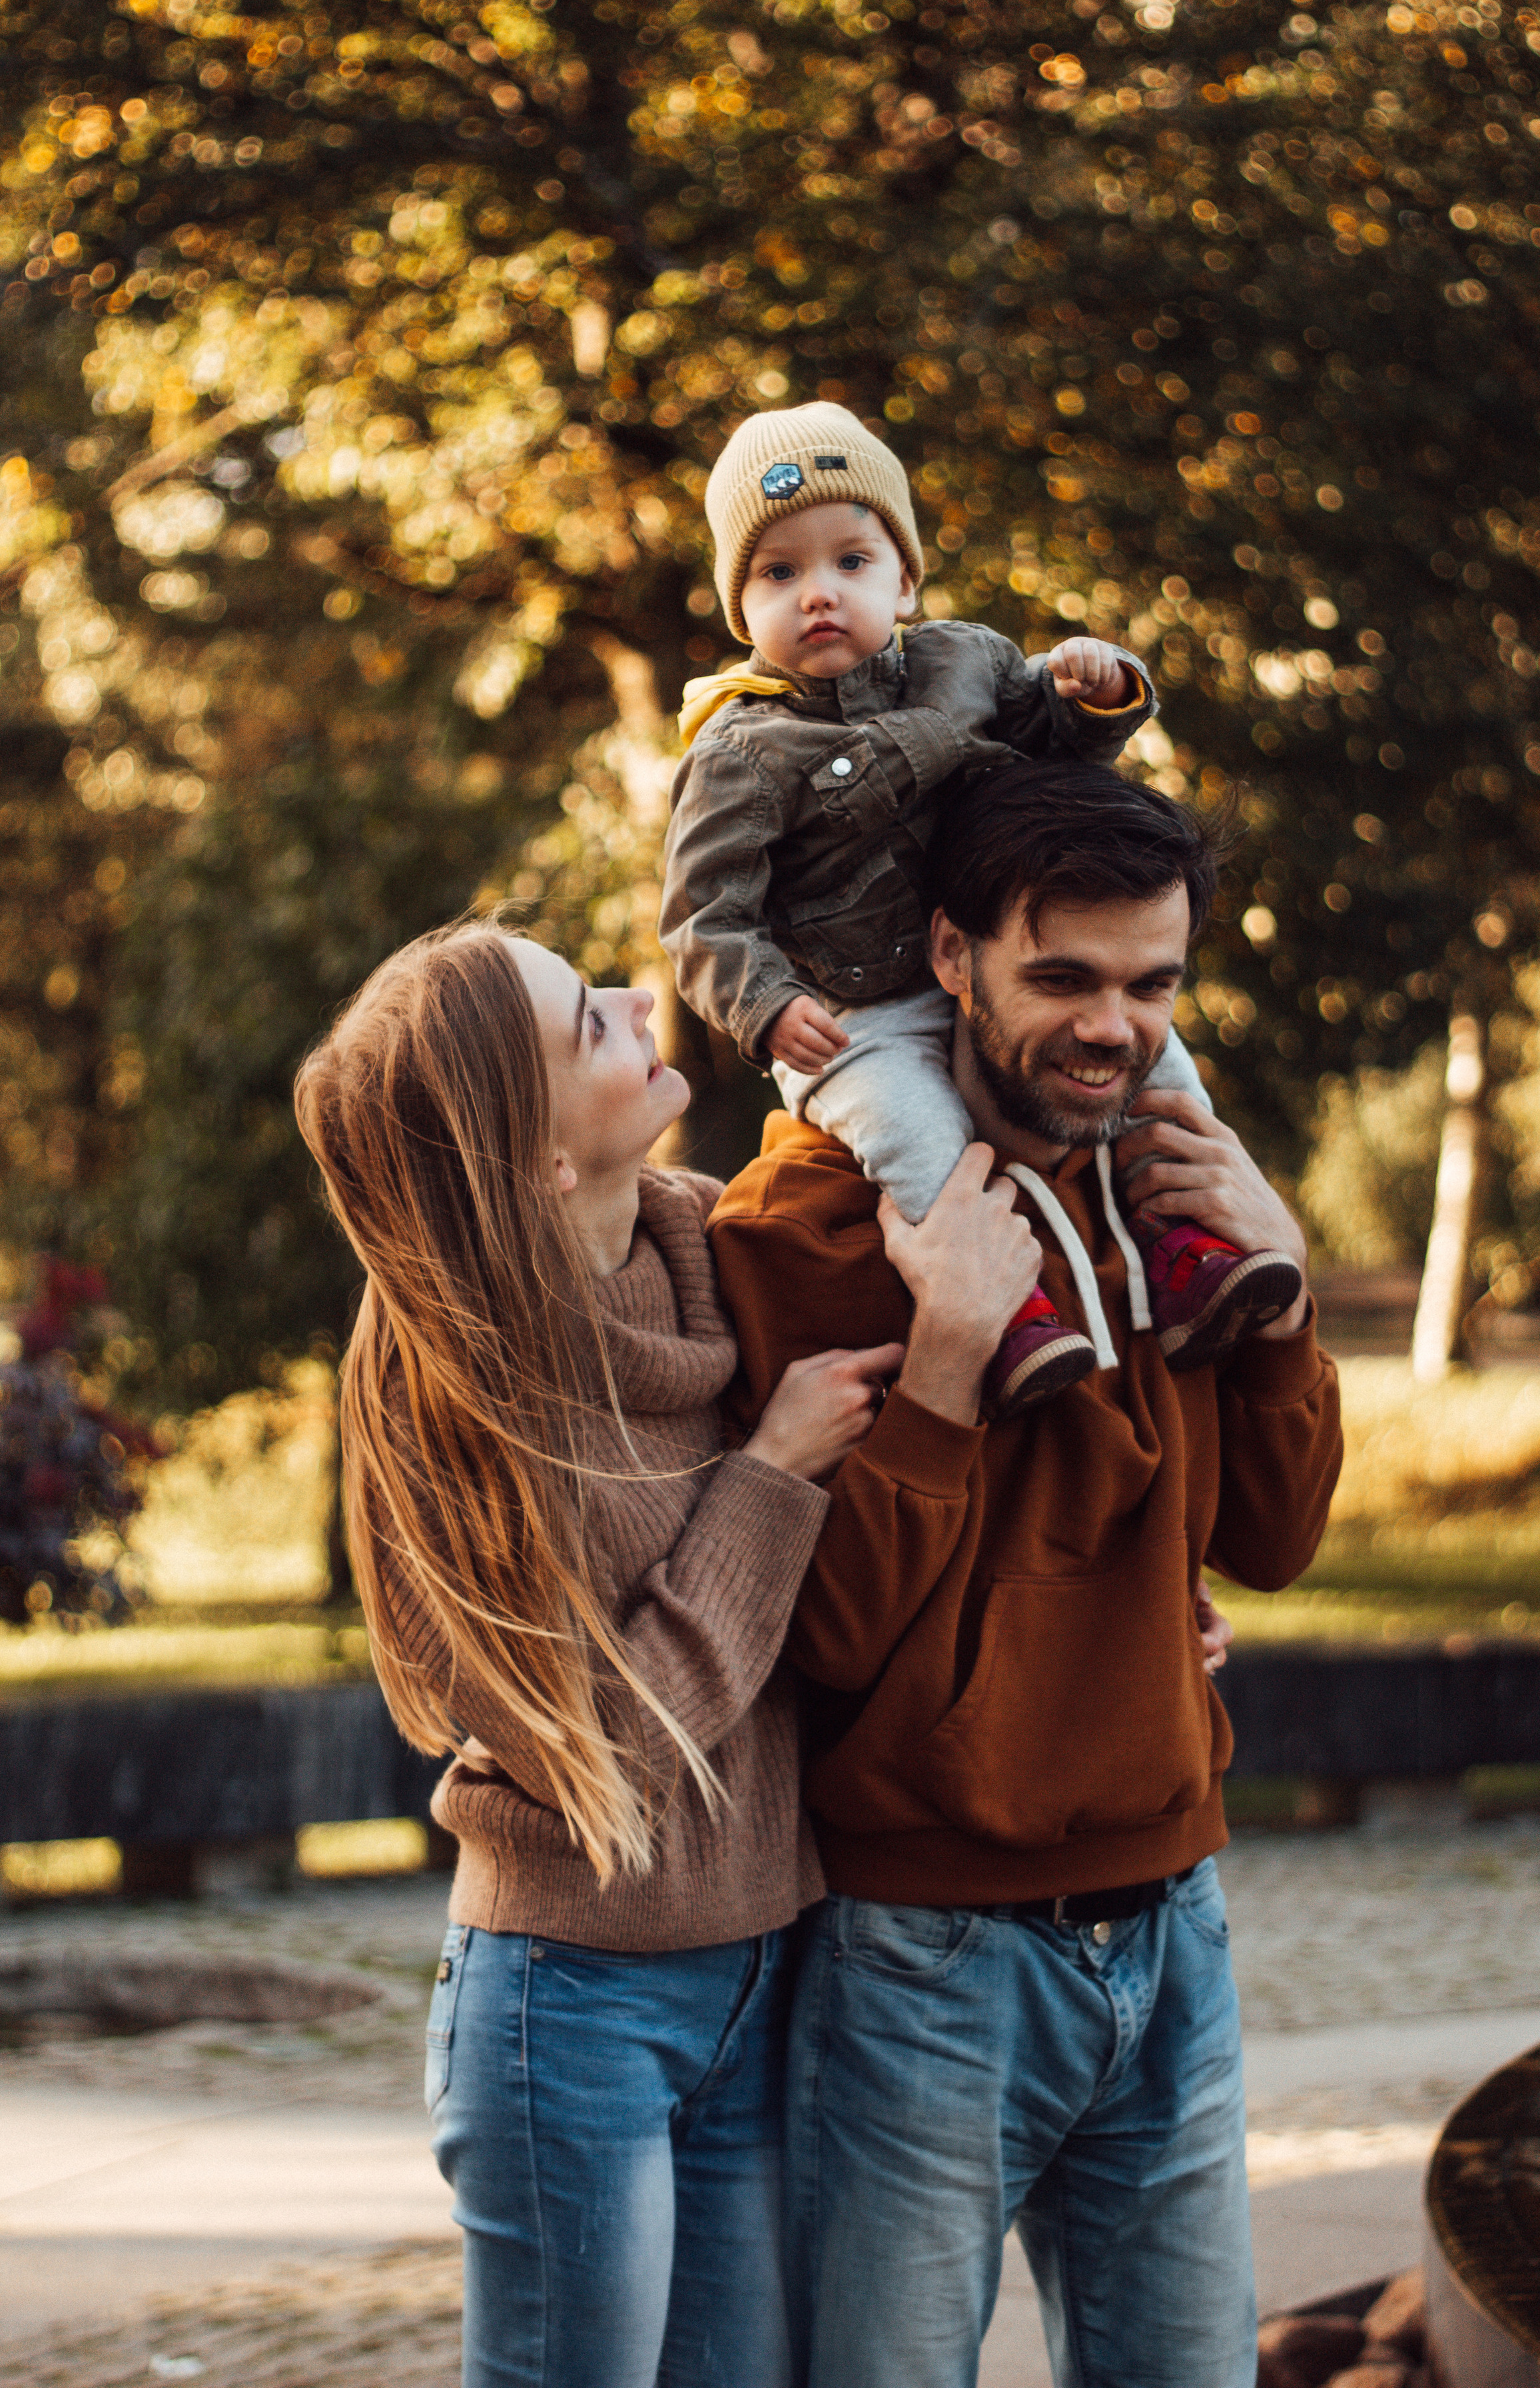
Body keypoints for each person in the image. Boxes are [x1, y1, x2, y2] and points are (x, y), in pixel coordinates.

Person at [707, 762, 1345, 2388]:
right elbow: (820, 1640)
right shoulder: (806, 1222)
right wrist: (942, 1369)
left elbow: (1272, 1543)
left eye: (1151, 986)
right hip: (923, 1956)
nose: (1110, 1029)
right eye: (1061, 977)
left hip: (1172, 1924)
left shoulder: (1164, 1199)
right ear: (949, 955)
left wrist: (1278, 1291)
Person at [292, 919, 903, 2388]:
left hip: (768, 1965)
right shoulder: (446, 1389)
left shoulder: (722, 1251)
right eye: (588, 1023)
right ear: (544, 1162)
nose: (639, 999)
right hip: (571, 2009)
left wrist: (1142, 1609)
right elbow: (613, 1745)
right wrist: (770, 1475)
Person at [661, 399, 1302, 1408]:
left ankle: (1187, 1248)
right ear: (741, 610)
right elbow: (704, 918)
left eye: (851, 561)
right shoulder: (739, 750)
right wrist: (768, 1006)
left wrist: (1097, 691)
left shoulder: (966, 662)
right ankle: (1003, 1311)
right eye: (778, 573)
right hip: (857, 1011)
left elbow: (1053, 751)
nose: (819, 593)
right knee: (918, 1137)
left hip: (991, 966)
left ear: (905, 579)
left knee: (1168, 1074)